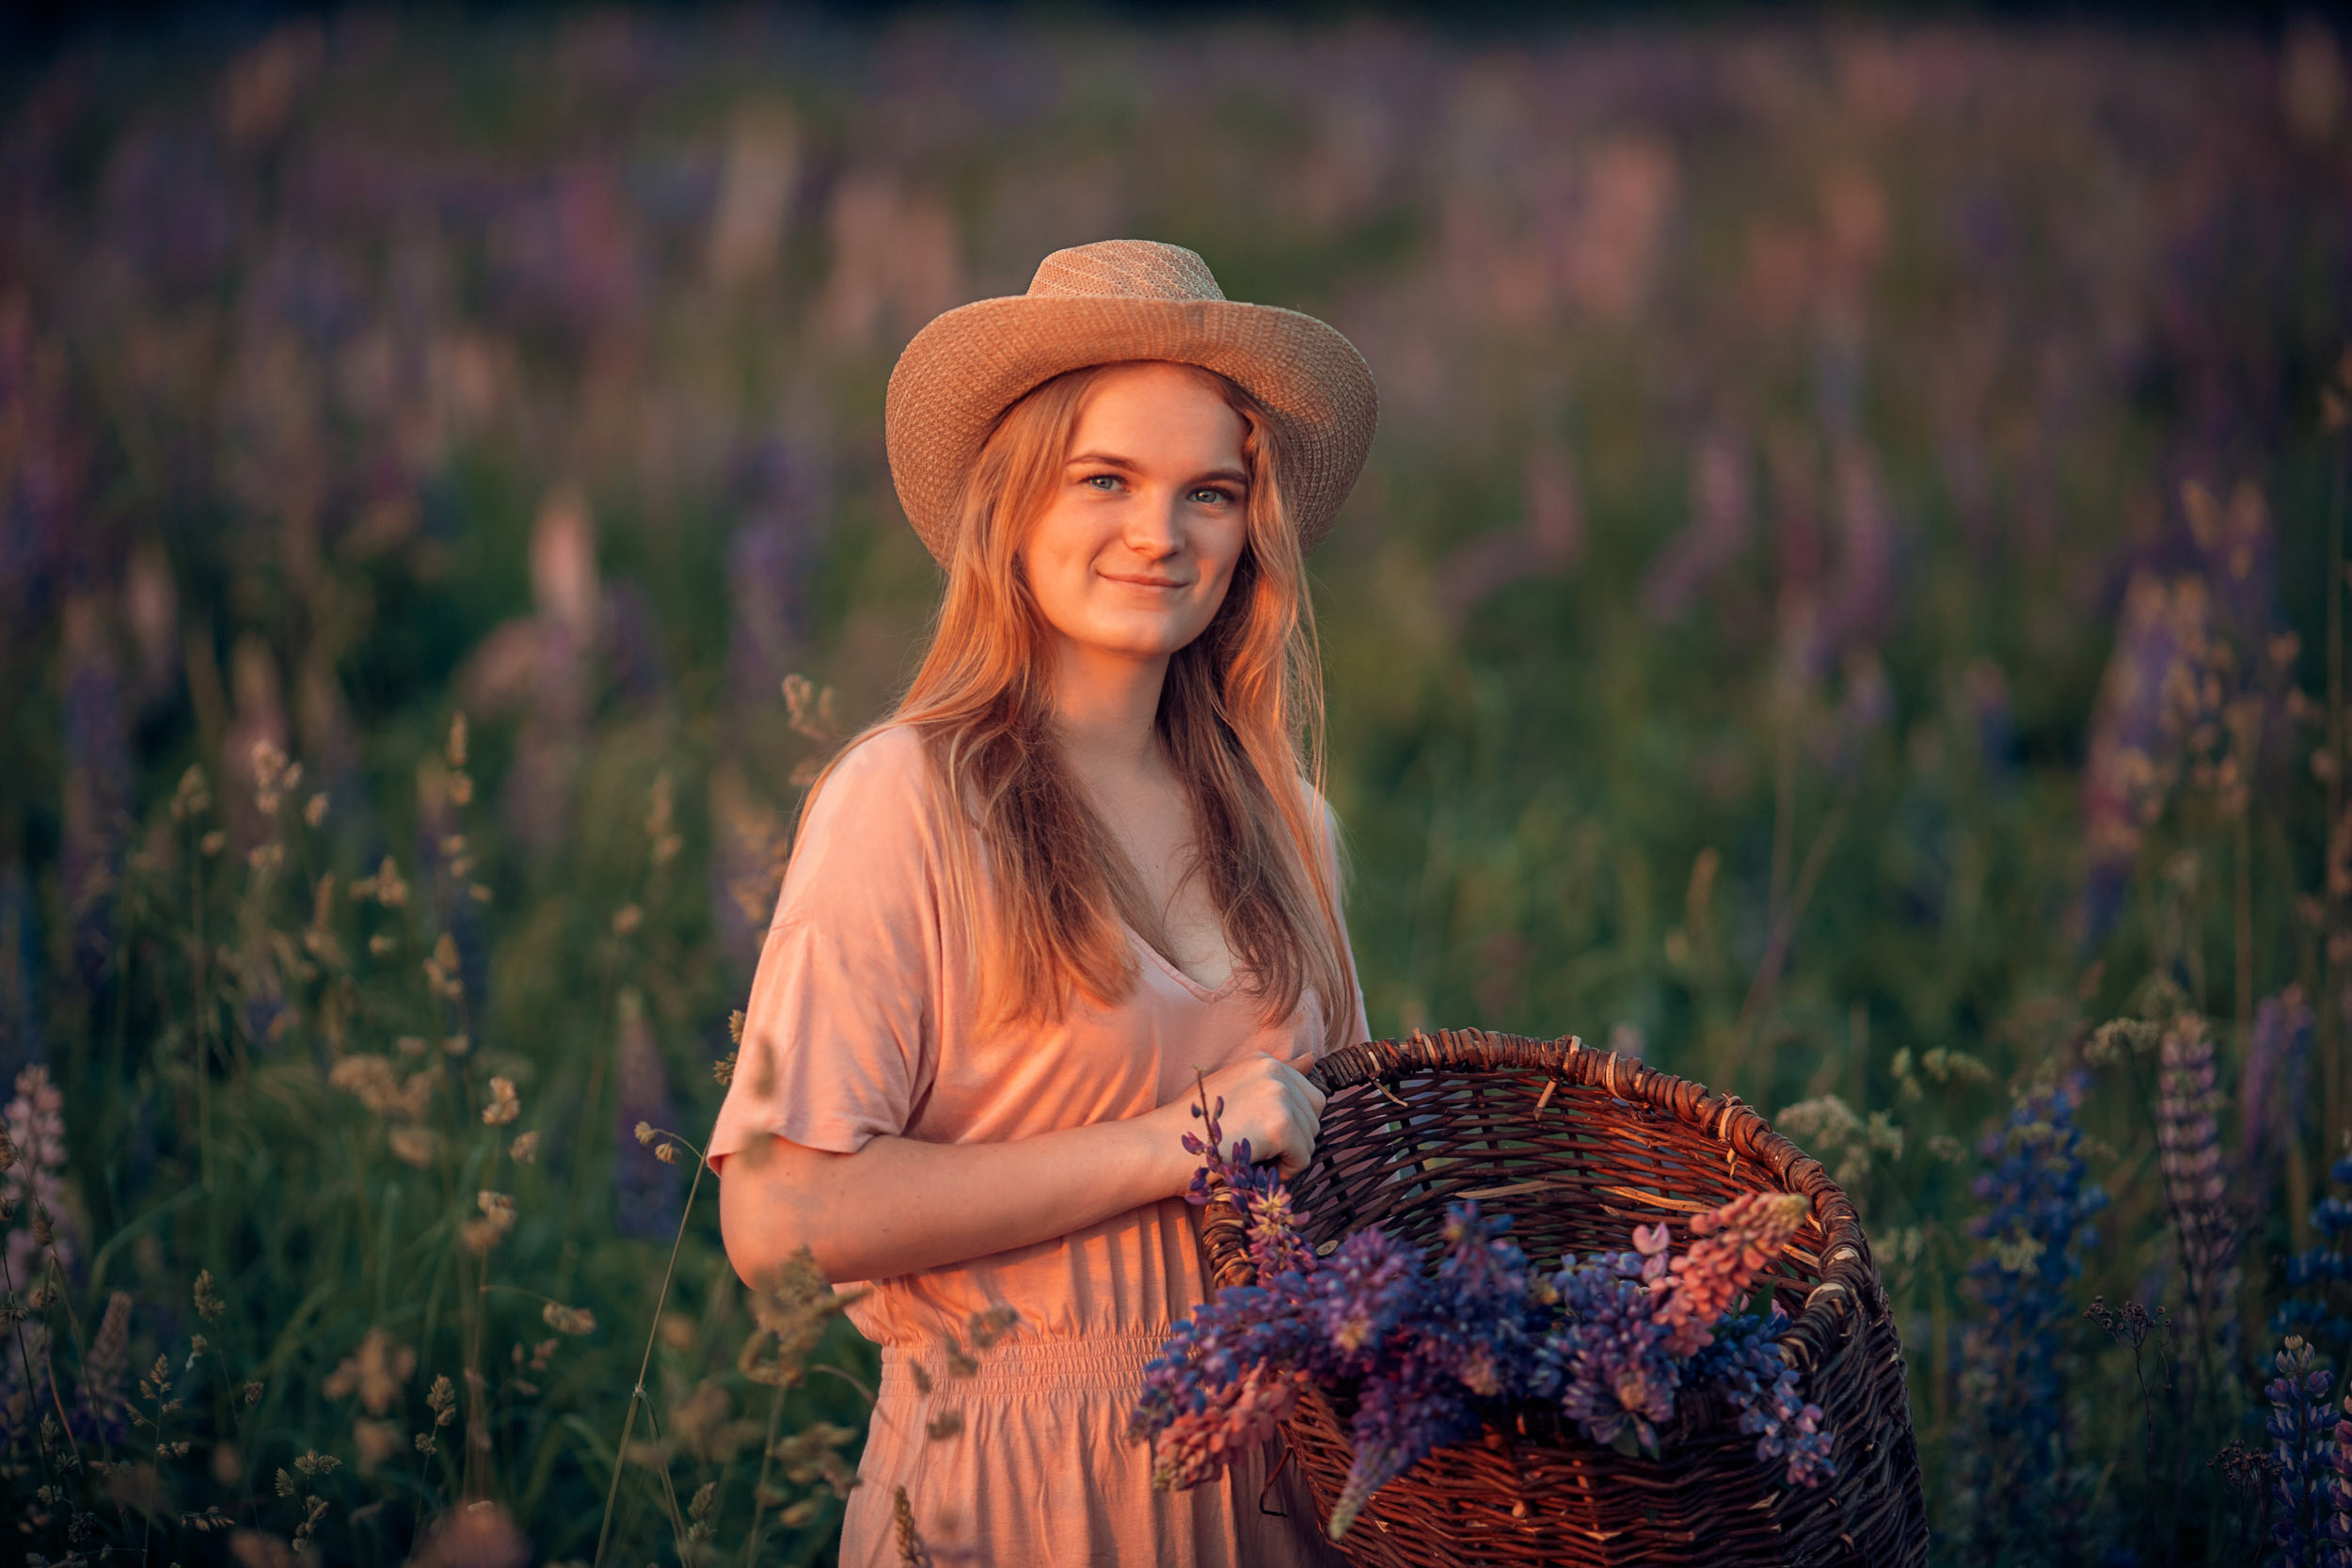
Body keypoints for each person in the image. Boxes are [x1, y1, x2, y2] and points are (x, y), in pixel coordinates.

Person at [711, 239, 1377, 1567]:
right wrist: (1173, 1144)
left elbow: (1348, 1175)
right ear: (1013, 502)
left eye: (1211, 492)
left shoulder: (1295, 823)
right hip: (1009, 1491)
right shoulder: (906, 799)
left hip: (1276, 1494)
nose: (1160, 533)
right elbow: (779, 1226)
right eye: (1106, 480)